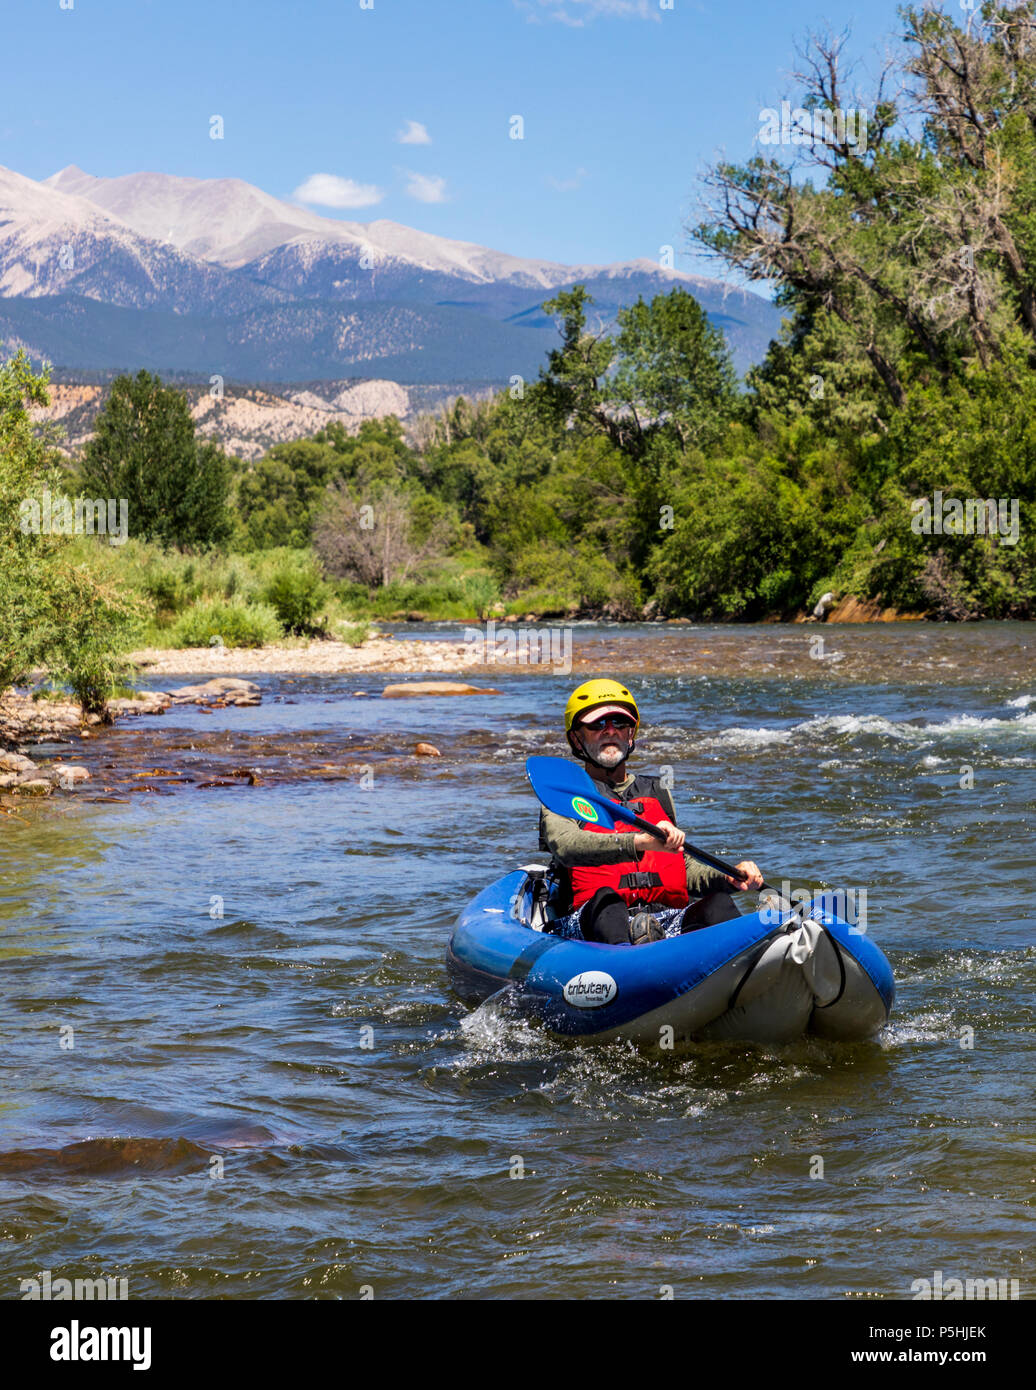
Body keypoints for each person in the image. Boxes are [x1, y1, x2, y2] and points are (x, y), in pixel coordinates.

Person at [539, 679, 764, 946]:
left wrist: (727, 877)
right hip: (593, 923)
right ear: (576, 737)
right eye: (598, 725)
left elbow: (681, 867)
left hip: (664, 920)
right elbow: (567, 847)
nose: (610, 731)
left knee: (718, 903)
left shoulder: (657, 791)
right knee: (608, 902)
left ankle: (747, 961)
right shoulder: (562, 795)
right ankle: (630, 963)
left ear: (630, 733)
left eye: (619, 724)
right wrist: (639, 843)